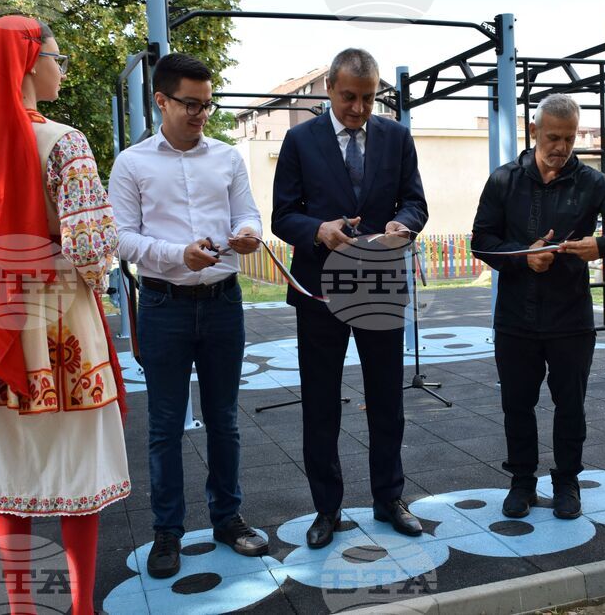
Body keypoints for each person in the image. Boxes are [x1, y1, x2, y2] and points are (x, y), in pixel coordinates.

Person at [0, 16, 130, 615]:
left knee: (8, 467)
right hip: (60, 320)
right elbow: (94, 250)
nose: (61, 66)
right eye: (56, 54)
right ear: (28, 62)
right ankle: (80, 606)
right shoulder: (65, 142)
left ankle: (21, 607)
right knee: (80, 464)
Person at [109, 53, 267, 578]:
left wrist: (248, 234)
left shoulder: (226, 157)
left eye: (207, 104)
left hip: (223, 303)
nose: (202, 114)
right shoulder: (132, 163)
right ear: (161, 100)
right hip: (162, 305)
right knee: (164, 426)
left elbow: (248, 213)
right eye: (191, 104)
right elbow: (122, 239)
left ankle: (228, 519)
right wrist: (180, 254)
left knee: (224, 420)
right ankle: (167, 533)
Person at [472, 94, 605, 520]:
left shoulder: (591, 182)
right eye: (553, 137)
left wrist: (602, 245)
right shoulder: (503, 180)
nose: (561, 147)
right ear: (534, 132)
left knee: (569, 404)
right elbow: (481, 240)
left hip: (570, 317)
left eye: (570, 139)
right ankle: (521, 482)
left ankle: (567, 481)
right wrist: (523, 256)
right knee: (516, 404)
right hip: (516, 317)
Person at [271, 48, 428, 548]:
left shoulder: (397, 137)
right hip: (320, 288)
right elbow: (282, 216)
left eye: (367, 98)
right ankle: (327, 508)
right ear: (329, 91)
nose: (358, 108)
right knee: (321, 403)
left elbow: (415, 200)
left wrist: (406, 224)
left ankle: (389, 499)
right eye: (348, 97)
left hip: (380, 281)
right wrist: (318, 230)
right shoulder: (299, 140)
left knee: (386, 400)